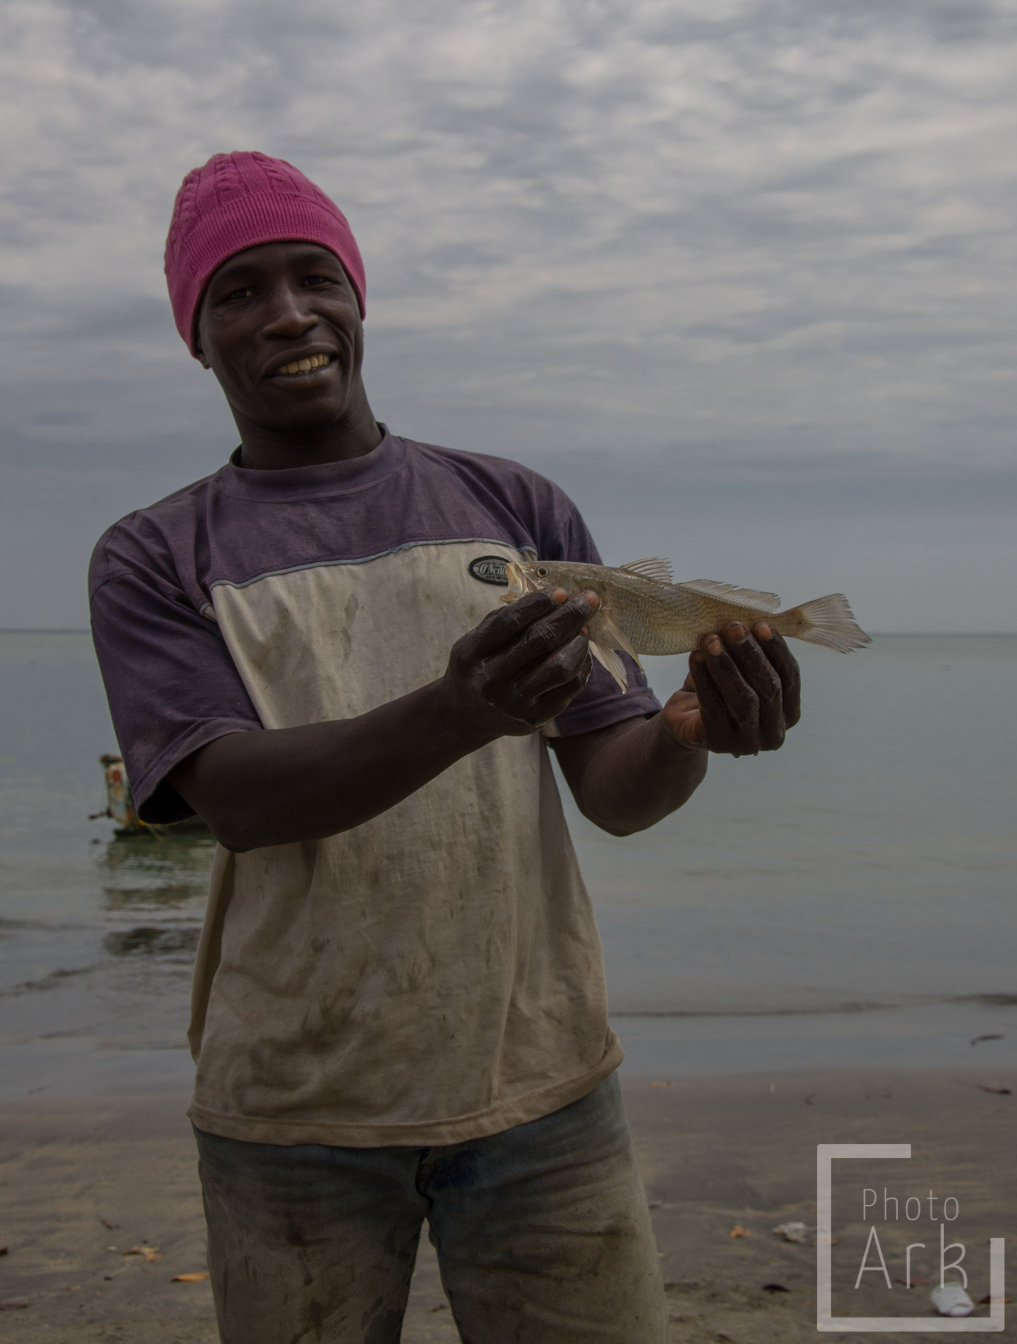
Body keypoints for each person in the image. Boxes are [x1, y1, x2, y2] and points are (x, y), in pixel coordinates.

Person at [89, 151, 801, 1344]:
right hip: (291, 1103)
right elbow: (239, 800)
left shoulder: (517, 507)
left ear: (360, 299)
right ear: (196, 336)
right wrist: (459, 710)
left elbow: (615, 790)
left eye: (316, 276)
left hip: (542, 1081)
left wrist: (686, 732)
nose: (289, 312)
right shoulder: (157, 554)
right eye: (239, 292)